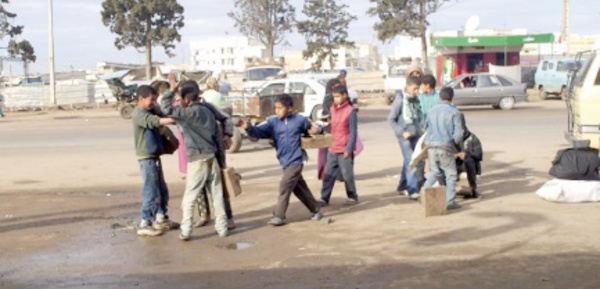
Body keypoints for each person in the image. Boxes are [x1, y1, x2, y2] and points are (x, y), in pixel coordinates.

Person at [161, 75, 229, 241]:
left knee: (190, 197)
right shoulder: (208, 112)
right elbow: (218, 139)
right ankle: (222, 228)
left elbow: (166, 107)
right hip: (211, 157)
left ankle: (186, 230)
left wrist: (171, 89)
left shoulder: (186, 114)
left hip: (197, 159)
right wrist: (221, 161)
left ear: (186, 99)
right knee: (217, 194)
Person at [239, 94, 324, 226]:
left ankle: (279, 215)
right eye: (276, 108)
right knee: (299, 188)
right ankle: (316, 210)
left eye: (280, 108)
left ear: (289, 108)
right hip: (284, 160)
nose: (277, 110)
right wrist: (248, 128)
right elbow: (259, 132)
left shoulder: (300, 120)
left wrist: (317, 129)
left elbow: (315, 128)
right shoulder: (273, 122)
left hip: (296, 160)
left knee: (284, 185)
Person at [131, 85, 177, 237]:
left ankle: (161, 217)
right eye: (151, 100)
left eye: (155, 100)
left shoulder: (151, 109)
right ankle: (145, 222)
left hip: (154, 156)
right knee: (150, 190)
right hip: (146, 158)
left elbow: (160, 112)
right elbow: (154, 121)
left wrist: (171, 92)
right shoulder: (138, 114)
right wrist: (173, 120)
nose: (154, 102)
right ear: (140, 99)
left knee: (161, 189)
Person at [422, 87, 464, 210]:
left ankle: (424, 194)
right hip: (445, 146)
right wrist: (454, 144)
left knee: (435, 172)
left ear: (439, 97)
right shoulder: (455, 112)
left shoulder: (431, 111)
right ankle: (449, 202)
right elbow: (459, 134)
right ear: (452, 98)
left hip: (431, 146)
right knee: (451, 174)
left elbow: (425, 128)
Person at [319, 85, 359, 206]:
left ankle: (352, 196)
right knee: (328, 174)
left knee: (347, 175)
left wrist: (349, 149)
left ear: (345, 95)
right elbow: (332, 127)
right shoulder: (333, 109)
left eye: (337, 97)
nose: (335, 99)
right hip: (333, 147)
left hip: (345, 148)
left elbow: (353, 132)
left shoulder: (351, 111)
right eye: (334, 97)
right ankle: (324, 198)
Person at [388, 76, 426, 199]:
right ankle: (412, 190)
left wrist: (420, 130)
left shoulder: (414, 100)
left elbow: (417, 117)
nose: (416, 91)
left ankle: (403, 186)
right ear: (408, 86)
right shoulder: (400, 100)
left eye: (418, 89)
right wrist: (402, 132)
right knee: (411, 162)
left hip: (415, 135)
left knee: (411, 161)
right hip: (405, 137)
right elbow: (391, 120)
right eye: (415, 89)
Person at [455, 114, 483, 198]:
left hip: (468, 164)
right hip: (454, 163)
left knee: (469, 161)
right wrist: (455, 155)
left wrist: (467, 154)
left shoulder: (472, 138)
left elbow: (479, 155)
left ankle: (472, 189)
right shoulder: (450, 138)